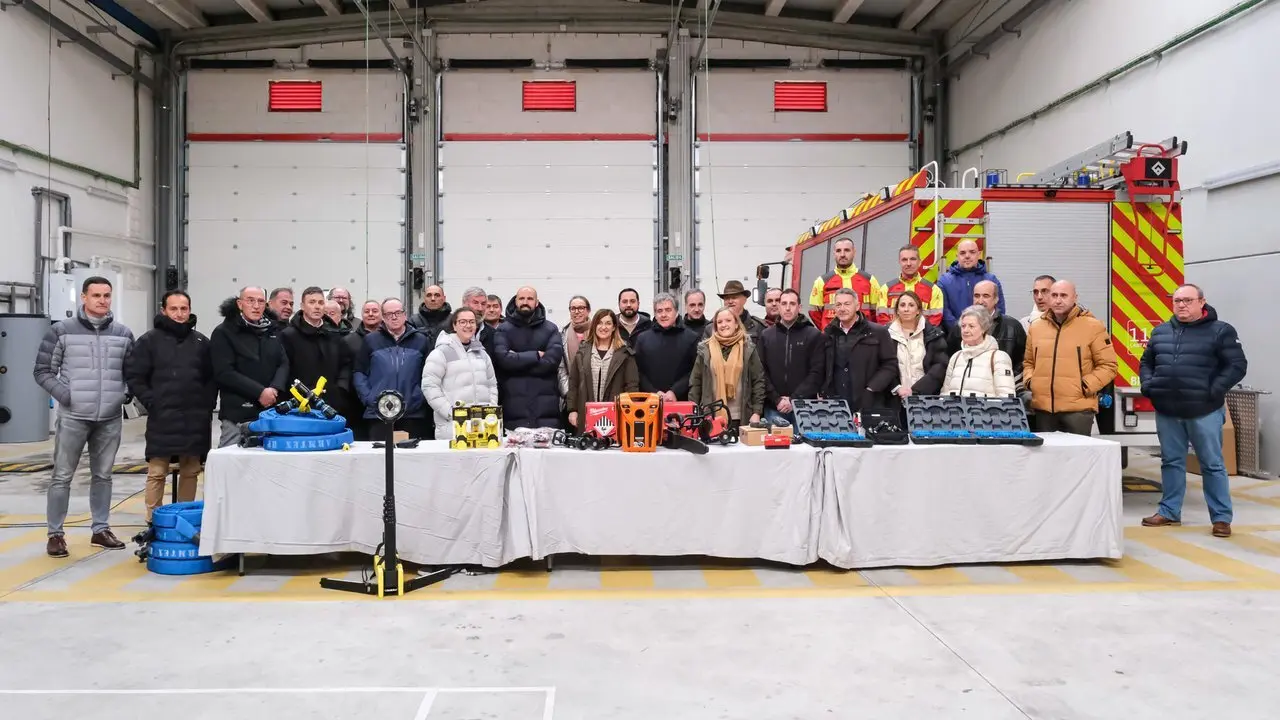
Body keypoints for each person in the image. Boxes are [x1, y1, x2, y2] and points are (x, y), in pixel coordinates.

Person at [33, 276, 135, 557]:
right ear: (84, 297)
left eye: (107, 295)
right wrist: (66, 396)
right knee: (62, 476)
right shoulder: (61, 331)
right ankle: (55, 534)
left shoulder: (123, 334)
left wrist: (124, 395)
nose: (102, 300)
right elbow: (43, 371)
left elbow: (133, 372)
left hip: (110, 417)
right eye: (96, 295)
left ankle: (100, 530)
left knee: (103, 476)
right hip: (73, 416)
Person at [1140, 284, 1248, 537]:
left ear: (1201, 302)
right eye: (1177, 301)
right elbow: (1147, 362)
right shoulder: (1161, 331)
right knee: (1171, 462)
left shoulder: (1220, 331)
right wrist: (1149, 385)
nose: (1181, 305)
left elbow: (1237, 365)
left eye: (1187, 300)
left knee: (1212, 464)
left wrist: (1213, 390)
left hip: (1204, 410)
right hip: (1167, 410)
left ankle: (1221, 518)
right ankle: (1169, 511)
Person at [125, 290, 215, 525]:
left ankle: (184, 519)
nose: (179, 313)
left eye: (184, 309)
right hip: (162, 417)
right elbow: (135, 376)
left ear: (190, 310)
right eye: (173, 309)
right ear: (163, 310)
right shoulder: (148, 341)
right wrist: (152, 402)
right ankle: (153, 521)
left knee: (191, 470)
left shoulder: (201, 342)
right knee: (157, 472)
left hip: (194, 419)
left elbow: (211, 378)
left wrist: (206, 404)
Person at [1023, 280, 1117, 435]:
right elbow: (1028, 362)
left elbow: (1109, 365)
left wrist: (1085, 386)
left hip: (1078, 411)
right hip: (1044, 411)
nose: (1058, 300)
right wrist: (1032, 382)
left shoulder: (1093, 327)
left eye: (1063, 295)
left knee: (1078, 452)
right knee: (1047, 451)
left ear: (1075, 298)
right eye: (1054, 295)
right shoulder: (1036, 327)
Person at [210, 286, 289, 448]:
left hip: (269, 412)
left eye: (260, 301)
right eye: (250, 301)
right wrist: (260, 392)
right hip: (238, 414)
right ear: (240, 304)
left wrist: (274, 388)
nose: (256, 306)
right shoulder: (224, 332)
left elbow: (283, 362)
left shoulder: (272, 330)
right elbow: (224, 372)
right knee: (231, 458)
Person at [353, 298, 434, 440]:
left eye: (398, 313)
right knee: (380, 453)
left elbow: (429, 374)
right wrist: (370, 398)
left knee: (410, 453)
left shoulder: (421, 340)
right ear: (383, 317)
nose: (394, 317)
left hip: (412, 414)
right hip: (379, 414)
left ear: (405, 315)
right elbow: (359, 373)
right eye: (389, 314)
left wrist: (418, 397)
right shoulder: (371, 340)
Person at [422, 308, 499, 440]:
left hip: (482, 426)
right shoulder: (441, 353)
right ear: (454, 325)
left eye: (472, 322)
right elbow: (429, 387)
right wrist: (450, 412)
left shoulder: (482, 354)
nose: (468, 326)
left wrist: (490, 410)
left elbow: (492, 384)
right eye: (463, 322)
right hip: (452, 428)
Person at [493, 286, 564, 429]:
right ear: (515, 301)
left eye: (530, 299)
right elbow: (504, 360)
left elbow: (551, 362)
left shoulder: (551, 329)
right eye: (522, 298)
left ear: (537, 303)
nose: (525, 302)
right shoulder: (503, 329)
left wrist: (517, 360)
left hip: (546, 407)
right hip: (514, 405)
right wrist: (536, 355)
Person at [281, 286, 354, 424]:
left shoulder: (334, 333)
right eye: (312, 302)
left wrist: (340, 389)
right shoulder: (288, 335)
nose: (317, 306)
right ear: (302, 306)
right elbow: (284, 369)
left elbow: (345, 364)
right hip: (300, 404)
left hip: (332, 403)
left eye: (321, 302)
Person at [822, 288, 898, 414]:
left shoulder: (878, 332)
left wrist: (871, 388)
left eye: (847, 304)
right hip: (836, 404)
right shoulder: (828, 333)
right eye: (838, 305)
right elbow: (821, 366)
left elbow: (890, 365)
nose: (842, 308)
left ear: (857, 306)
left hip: (870, 402)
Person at [689, 307, 766, 430]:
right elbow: (695, 382)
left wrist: (756, 412)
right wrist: (694, 412)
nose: (723, 325)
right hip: (711, 416)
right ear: (715, 326)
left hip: (741, 417)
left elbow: (758, 381)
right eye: (719, 322)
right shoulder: (705, 350)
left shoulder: (748, 348)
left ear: (736, 324)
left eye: (728, 321)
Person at [759, 288, 825, 427]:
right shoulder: (766, 336)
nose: (788, 308)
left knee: (805, 442)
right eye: (784, 303)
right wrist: (777, 399)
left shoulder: (814, 335)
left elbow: (817, 372)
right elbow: (761, 371)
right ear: (779, 307)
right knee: (775, 441)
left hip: (805, 408)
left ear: (799, 307)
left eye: (792, 304)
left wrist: (794, 399)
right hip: (774, 408)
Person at [566, 309, 640, 432]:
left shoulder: (625, 353)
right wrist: (572, 410)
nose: (603, 327)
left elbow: (632, 387)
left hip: (616, 416)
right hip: (586, 414)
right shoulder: (583, 351)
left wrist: (629, 412)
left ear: (614, 327)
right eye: (599, 323)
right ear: (594, 326)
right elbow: (573, 383)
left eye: (608, 323)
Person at [949, 280, 1025, 385]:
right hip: (967, 388)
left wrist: (1006, 381)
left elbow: (1022, 363)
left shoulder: (1012, 326)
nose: (980, 301)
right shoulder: (959, 327)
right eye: (976, 296)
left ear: (996, 299)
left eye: (986, 296)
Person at [634, 293, 700, 402]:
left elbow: (695, 371)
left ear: (676, 311)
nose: (663, 315)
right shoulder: (642, 338)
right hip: (650, 401)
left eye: (668, 310)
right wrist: (653, 393)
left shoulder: (692, 338)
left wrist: (675, 391)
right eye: (659, 311)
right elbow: (637, 371)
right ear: (655, 314)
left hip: (681, 401)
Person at [941, 305, 1016, 398]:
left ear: (983, 329)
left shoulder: (998, 358)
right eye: (963, 326)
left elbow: (1006, 398)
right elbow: (945, 394)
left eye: (971, 326)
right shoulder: (956, 357)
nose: (965, 330)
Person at [887, 291, 948, 403]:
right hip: (894, 399)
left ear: (918, 310)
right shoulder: (886, 335)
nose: (906, 309)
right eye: (902, 305)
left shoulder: (933, 334)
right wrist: (897, 388)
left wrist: (916, 390)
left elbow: (940, 367)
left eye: (911, 305)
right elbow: (882, 366)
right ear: (897, 310)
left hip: (926, 399)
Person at [809, 237, 881, 330]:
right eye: (838, 251)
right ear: (834, 253)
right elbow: (814, 313)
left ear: (854, 252)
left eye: (847, 250)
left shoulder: (870, 280)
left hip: (862, 335)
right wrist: (828, 329)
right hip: (832, 336)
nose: (842, 254)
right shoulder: (822, 282)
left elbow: (876, 313)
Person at [937, 240, 1004, 329]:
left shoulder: (991, 280)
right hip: (956, 334)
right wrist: (961, 330)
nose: (967, 256)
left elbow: (999, 310)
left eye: (972, 252)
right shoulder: (944, 281)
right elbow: (944, 312)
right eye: (962, 253)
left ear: (979, 254)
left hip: (987, 333)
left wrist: (985, 331)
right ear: (957, 256)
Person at [877, 245, 944, 326]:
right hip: (892, 334)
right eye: (904, 260)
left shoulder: (934, 290)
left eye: (913, 259)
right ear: (899, 262)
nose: (908, 263)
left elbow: (935, 320)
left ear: (919, 262)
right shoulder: (886, 289)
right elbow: (882, 319)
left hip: (923, 334)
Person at [558, 295, 592, 412]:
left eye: (581, 308)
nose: (577, 312)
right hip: (571, 395)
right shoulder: (562, 335)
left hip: (594, 394)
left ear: (588, 310)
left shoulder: (597, 332)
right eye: (573, 308)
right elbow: (561, 367)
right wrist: (569, 393)